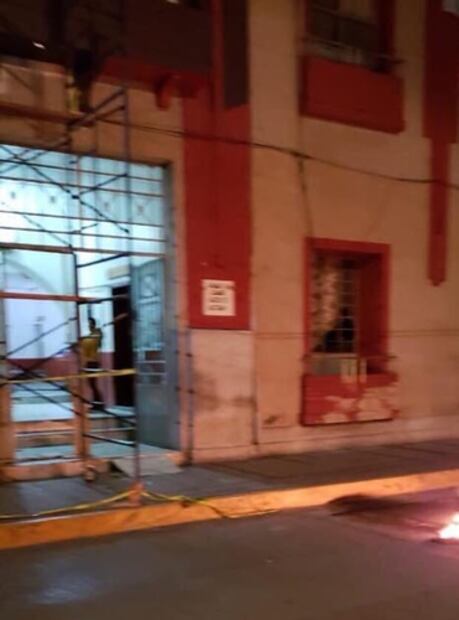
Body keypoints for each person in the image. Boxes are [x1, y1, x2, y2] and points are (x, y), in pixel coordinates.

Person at [79, 318, 105, 411]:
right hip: (90, 362)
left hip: (93, 362)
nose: (89, 326)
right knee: (92, 384)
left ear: (94, 325)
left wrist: (83, 339)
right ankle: (97, 403)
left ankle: (99, 404)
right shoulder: (92, 335)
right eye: (88, 324)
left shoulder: (96, 335)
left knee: (93, 384)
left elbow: (94, 341)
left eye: (90, 324)